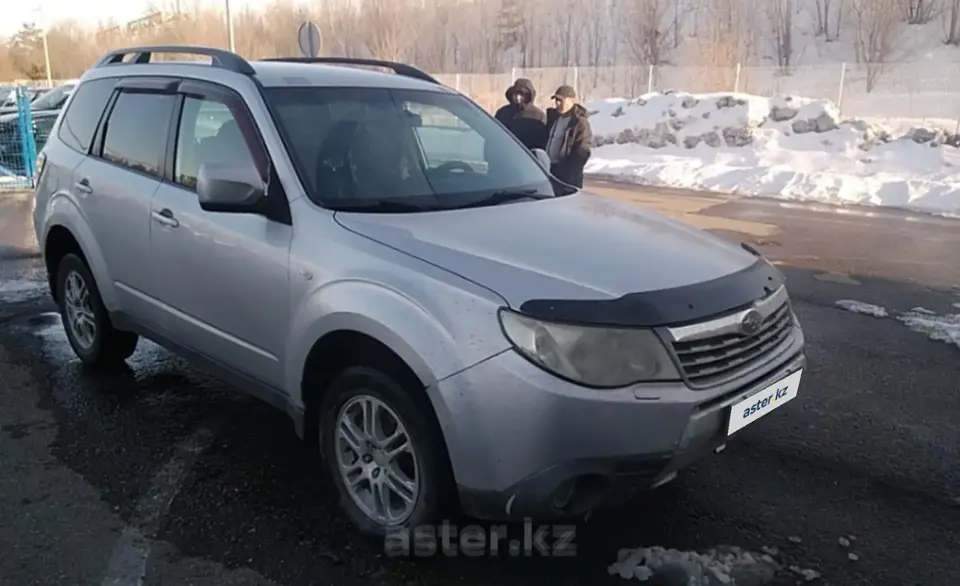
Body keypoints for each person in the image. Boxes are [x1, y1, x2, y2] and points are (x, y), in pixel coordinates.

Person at [544, 85, 592, 188]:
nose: (557, 103)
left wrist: (570, 172)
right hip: (550, 170)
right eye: (556, 100)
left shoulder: (580, 123)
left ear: (570, 100)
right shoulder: (553, 118)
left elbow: (583, 150)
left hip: (567, 176)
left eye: (561, 100)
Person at [494, 78, 548, 151]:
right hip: (503, 154)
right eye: (515, 94)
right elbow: (494, 136)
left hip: (527, 157)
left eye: (522, 95)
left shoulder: (538, 116)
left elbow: (541, 145)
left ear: (528, 96)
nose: (518, 98)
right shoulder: (503, 113)